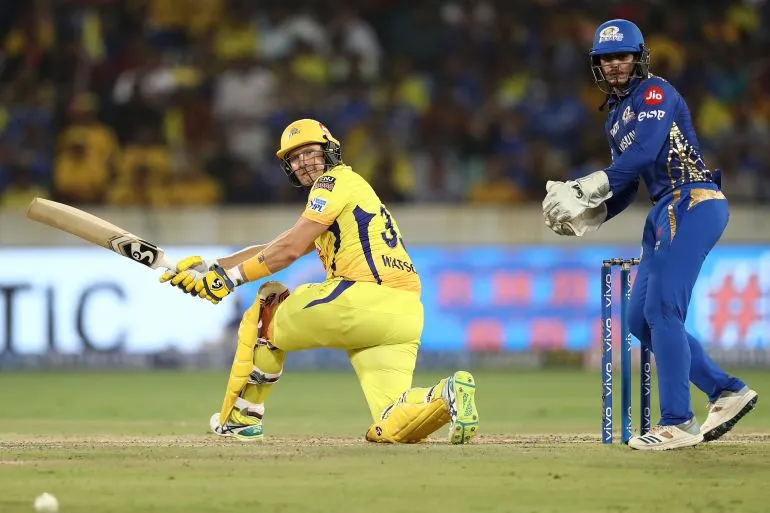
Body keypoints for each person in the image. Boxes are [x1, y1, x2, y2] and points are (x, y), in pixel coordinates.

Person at [160, 119, 479, 444]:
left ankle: (241, 418)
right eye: (294, 159)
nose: (302, 163)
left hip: (363, 298)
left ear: (330, 150)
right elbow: (282, 244)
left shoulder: (333, 182)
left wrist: (230, 279)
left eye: (310, 152)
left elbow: (289, 250)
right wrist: (212, 265)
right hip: (404, 315)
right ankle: (446, 394)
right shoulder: (348, 191)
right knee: (391, 423)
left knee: (268, 306)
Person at [542, 20, 758, 450]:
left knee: (663, 309)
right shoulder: (615, 120)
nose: (616, 65)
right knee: (641, 320)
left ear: (638, 58)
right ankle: (726, 390)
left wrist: (586, 185)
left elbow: (644, 151)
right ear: (597, 66)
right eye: (607, 59)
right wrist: (592, 215)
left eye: (623, 56)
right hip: (664, 210)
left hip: (692, 202)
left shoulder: (655, 92)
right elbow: (626, 183)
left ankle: (677, 421)